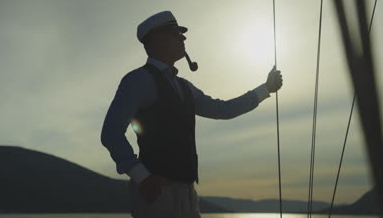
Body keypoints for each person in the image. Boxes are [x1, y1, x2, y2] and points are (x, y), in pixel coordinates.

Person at [101, 11, 283, 218]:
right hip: (156, 194)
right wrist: (142, 177)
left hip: (187, 192)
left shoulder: (184, 87)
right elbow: (111, 132)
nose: (183, 38)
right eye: (176, 33)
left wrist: (265, 89)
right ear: (158, 40)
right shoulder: (138, 80)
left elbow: (223, 110)